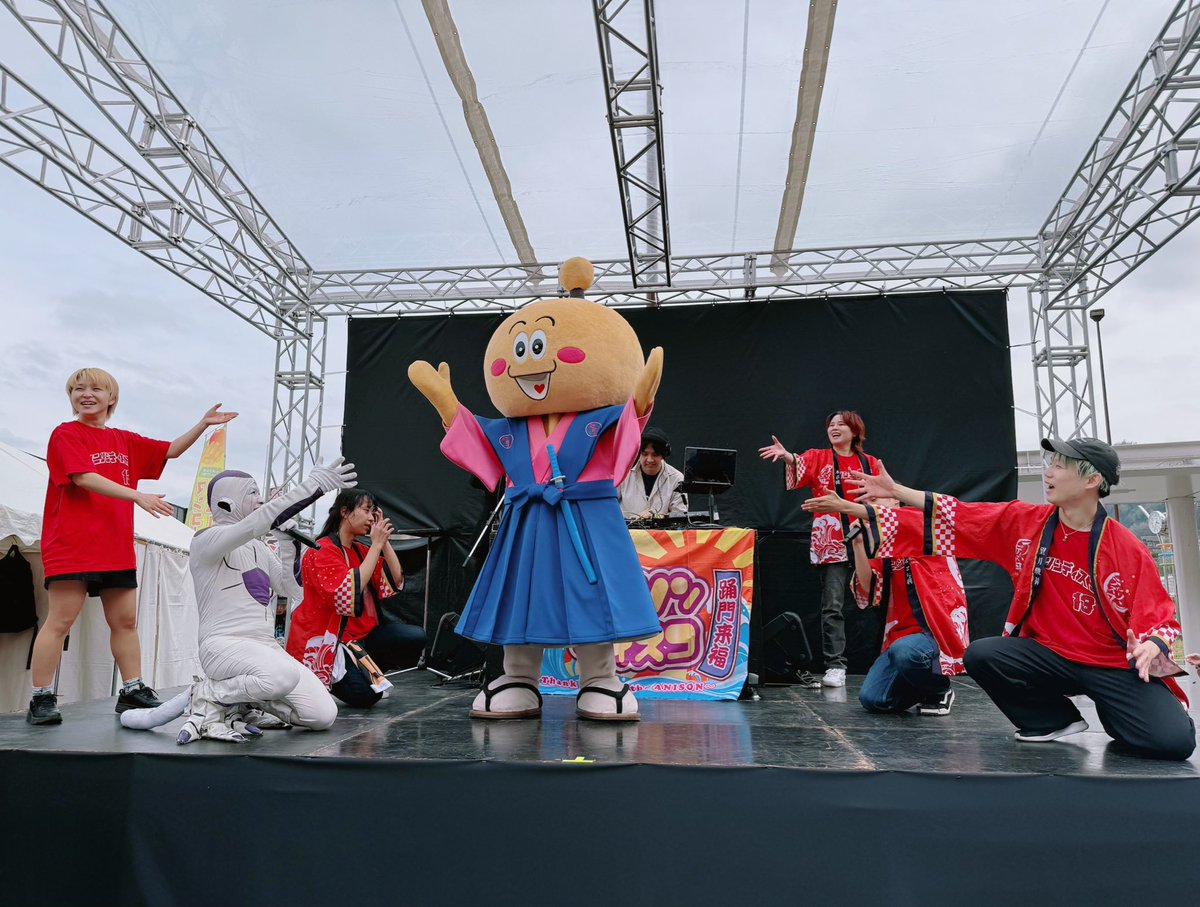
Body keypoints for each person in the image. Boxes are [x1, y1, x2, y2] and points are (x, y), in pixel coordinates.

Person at [807, 437, 1195, 760]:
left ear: (1092, 478)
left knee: (1174, 743)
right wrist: (893, 493)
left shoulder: (1124, 546)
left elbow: (1158, 613)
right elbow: (960, 516)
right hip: (1048, 656)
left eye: (1060, 465)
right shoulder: (1026, 523)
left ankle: (1117, 712)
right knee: (983, 654)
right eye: (1050, 462)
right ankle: (1051, 719)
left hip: (1110, 664)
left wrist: (1149, 643)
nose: (1049, 471)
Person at [27, 367, 236, 726]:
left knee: (124, 621)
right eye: (78, 389)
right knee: (60, 620)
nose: (86, 394)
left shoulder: (123, 440)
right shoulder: (65, 434)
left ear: (111, 398)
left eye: (95, 388)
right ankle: (41, 697)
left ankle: (132, 689)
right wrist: (137, 495)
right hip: (71, 544)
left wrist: (203, 425)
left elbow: (168, 450)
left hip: (113, 545)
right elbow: (82, 477)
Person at [759, 410, 882, 688]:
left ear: (855, 431)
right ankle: (835, 665)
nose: (835, 428)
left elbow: (886, 497)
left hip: (870, 541)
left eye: (841, 424)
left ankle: (884, 660)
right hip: (832, 542)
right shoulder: (819, 457)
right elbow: (799, 464)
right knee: (833, 605)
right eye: (831, 425)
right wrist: (787, 455)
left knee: (877, 602)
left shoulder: (870, 464)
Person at [286, 489, 425, 708]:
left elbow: (396, 581)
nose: (371, 518)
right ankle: (330, 682)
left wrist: (384, 542)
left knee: (413, 637)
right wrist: (376, 545)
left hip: (361, 637)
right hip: (331, 642)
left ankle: (365, 673)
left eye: (374, 513)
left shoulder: (361, 550)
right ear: (344, 512)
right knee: (367, 697)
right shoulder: (320, 550)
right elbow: (347, 592)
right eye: (366, 510)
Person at [843, 504, 968, 716]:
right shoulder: (881, 547)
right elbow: (870, 589)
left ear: (896, 502)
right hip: (899, 637)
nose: (871, 508)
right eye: (868, 503)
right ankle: (923, 687)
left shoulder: (923, 526)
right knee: (873, 700)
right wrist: (858, 544)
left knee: (907, 652)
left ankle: (940, 690)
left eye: (878, 500)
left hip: (935, 630)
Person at [617, 427, 687, 519]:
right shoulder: (623, 474)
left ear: (663, 455)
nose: (649, 460)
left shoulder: (677, 478)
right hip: (627, 532)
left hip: (662, 533)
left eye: (655, 455)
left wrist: (658, 517)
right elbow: (608, 506)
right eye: (645, 454)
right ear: (639, 453)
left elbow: (681, 516)